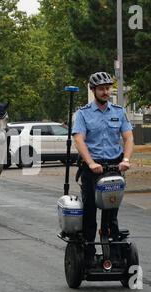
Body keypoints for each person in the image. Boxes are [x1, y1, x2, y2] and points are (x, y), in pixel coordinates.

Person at [72, 71, 134, 266]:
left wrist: (126, 159)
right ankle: (89, 253)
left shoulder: (118, 111)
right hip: (92, 169)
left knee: (112, 213)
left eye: (108, 88)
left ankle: (114, 254)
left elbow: (128, 137)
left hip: (114, 168)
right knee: (90, 213)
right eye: (101, 89)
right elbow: (79, 139)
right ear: (93, 90)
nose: (106, 92)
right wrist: (90, 162)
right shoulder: (83, 113)